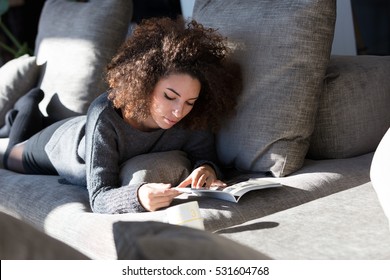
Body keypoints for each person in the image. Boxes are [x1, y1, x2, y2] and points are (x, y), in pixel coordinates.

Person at [1, 17, 241, 214]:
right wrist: (138, 196)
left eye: (190, 101)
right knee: (10, 155)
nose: (179, 111)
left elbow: (206, 158)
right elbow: (99, 196)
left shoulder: (192, 116)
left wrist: (207, 170)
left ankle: (35, 113)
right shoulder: (106, 115)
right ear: (145, 84)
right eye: (169, 97)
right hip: (63, 142)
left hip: (82, 128)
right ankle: (27, 105)